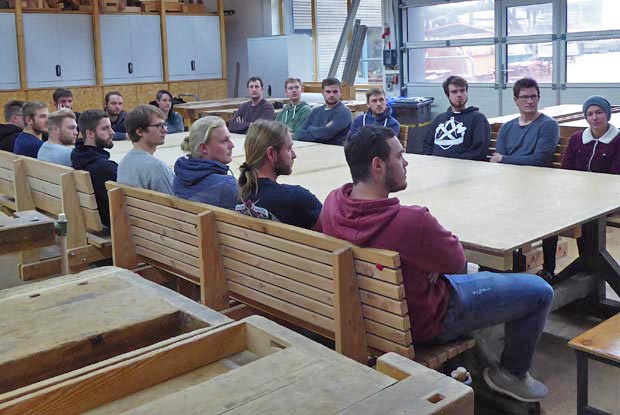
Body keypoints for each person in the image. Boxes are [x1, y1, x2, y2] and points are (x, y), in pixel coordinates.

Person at [321, 126, 553, 403]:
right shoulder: (412, 222)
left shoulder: (333, 204)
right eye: (400, 156)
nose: (406, 162)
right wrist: (430, 268)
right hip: (428, 321)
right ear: (378, 165)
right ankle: (512, 375)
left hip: (368, 319)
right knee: (540, 290)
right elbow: (458, 263)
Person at [539, 96, 620, 281]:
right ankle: (548, 270)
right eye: (589, 114)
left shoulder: (618, 140)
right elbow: (567, 170)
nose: (594, 118)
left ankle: (587, 264)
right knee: (549, 217)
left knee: (585, 218)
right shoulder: (577, 139)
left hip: (607, 197)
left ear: (607, 114)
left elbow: (615, 176)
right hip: (577, 196)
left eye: (599, 112)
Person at [237, 119, 322, 229]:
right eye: (289, 149)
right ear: (271, 154)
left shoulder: (237, 194)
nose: (294, 155)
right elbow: (332, 230)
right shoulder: (296, 198)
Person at [491, 78, 559, 166]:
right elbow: (498, 161)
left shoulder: (548, 125)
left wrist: (503, 158)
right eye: (525, 97)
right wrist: (502, 159)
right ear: (516, 100)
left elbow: (539, 160)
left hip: (535, 173)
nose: (530, 101)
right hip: (507, 172)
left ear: (538, 98)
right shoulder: (506, 127)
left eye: (533, 96)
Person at [173, 116, 238, 208]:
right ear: (203, 148)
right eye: (224, 141)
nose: (232, 145)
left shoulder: (179, 176)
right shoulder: (227, 185)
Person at [423, 76, 490, 160]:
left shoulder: (478, 119)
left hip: (464, 166)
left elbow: (478, 152)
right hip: (435, 164)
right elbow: (427, 145)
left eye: (462, 90)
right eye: (454, 92)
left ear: (467, 92)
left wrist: (450, 161)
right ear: (447, 95)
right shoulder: (439, 119)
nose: (459, 95)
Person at [71, 109, 117, 228]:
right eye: (105, 128)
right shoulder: (106, 168)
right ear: (90, 134)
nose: (112, 132)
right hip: (112, 224)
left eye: (110, 127)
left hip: (88, 220)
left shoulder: (77, 158)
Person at [117, 105, 174, 194]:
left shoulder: (123, 164)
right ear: (139, 132)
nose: (165, 130)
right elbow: (173, 201)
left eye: (164, 125)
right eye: (159, 126)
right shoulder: (158, 168)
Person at [295, 77, 352, 145]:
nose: (331, 95)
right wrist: (321, 132)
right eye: (328, 92)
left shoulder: (344, 112)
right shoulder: (315, 111)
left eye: (335, 92)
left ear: (340, 93)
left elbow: (325, 135)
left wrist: (310, 128)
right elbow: (300, 134)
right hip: (313, 148)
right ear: (322, 92)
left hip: (335, 150)